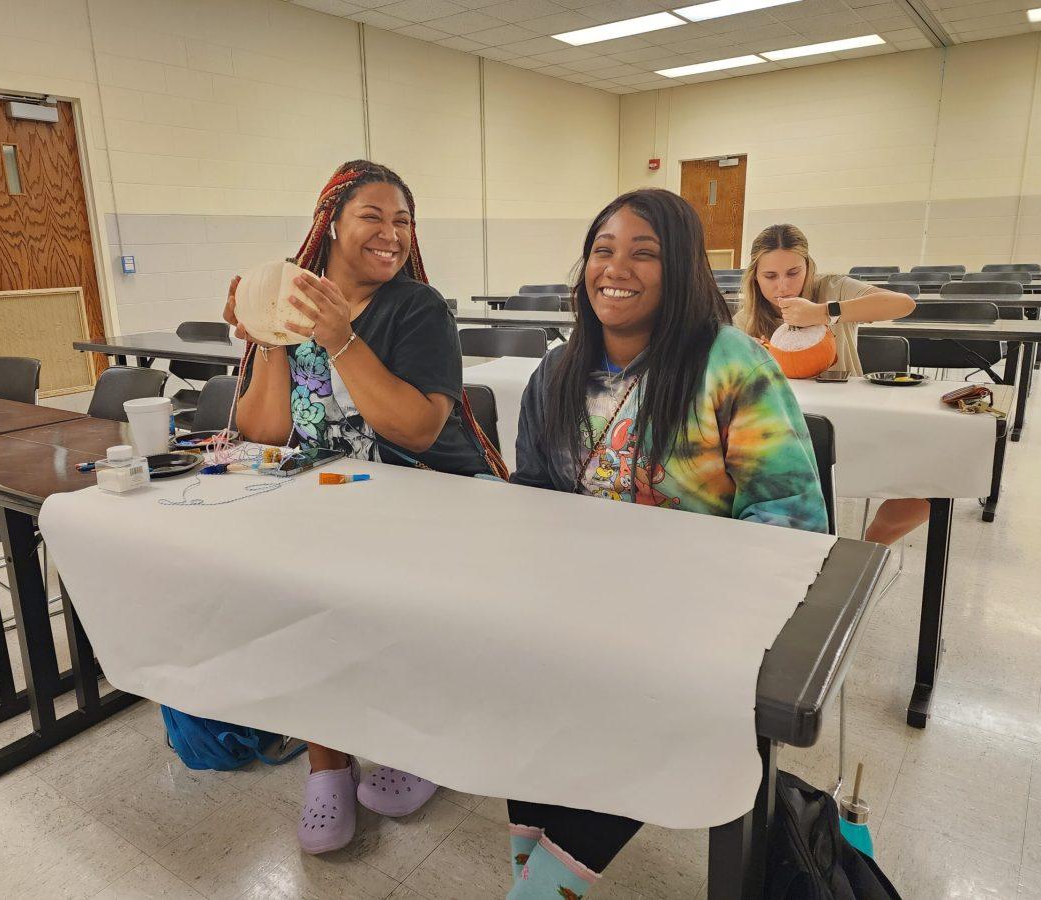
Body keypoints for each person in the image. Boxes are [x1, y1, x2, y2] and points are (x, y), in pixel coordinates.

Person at [505, 189, 827, 898]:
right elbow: (532, 495)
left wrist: (690, 608)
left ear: (680, 269)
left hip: (691, 621)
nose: (615, 268)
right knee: (519, 681)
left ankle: (539, 885)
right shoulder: (555, 372)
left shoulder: (733, 363)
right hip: (574, 606)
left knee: (628, 704)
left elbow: (791, 519)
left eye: (643, 253)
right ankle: (529, 865)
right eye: (603, 249)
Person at [220, 160, 504, 854]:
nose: (392, 233)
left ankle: (417, 744)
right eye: (373, 216)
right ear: (331, 225)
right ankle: (327, 766)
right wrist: (275, 335)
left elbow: (417, 428)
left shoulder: (418, 308)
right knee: (300, 605)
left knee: (400, 614)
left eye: (403, 220)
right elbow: (261, 433)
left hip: (432, 495)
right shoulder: (292, 308)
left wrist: (340, 337)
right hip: (334, 497)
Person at [734, 224, 923, 545]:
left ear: (809, 266)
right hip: (782, 431)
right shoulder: (745, 320)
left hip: (851, 423)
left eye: (793, 272)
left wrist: (825, 312)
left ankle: (871, 544)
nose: (784, 285)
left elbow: (903, 304)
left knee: (926, 483)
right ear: (755, 277)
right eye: (770, 276)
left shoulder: (833, 289)